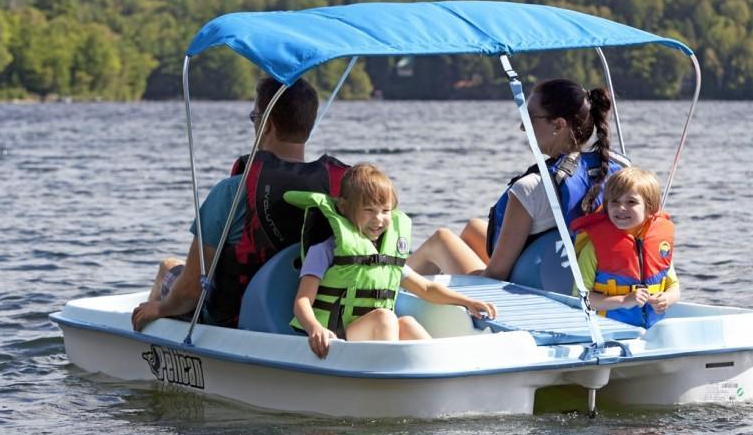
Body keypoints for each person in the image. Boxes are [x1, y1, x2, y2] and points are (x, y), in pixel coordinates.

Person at [132, 77, 348, 331]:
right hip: (315, 320)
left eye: (254, 116)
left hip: (236, 324)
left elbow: (190, 291)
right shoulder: (343, 191)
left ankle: (147, 348)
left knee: (168, 266)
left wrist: (160, 308)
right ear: (308, 127)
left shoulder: (232, 193)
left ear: (266, 124)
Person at [407, 78, 621, 281]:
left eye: (529, 118)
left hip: (529, 288)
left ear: (558, 125)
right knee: (474, 227)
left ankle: (384, 294)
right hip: (572, 275)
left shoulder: (531, 188)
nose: (521, 127)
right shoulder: (615, 171)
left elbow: (496, 275)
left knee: (441, 240)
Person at [287, 163, 497, 359]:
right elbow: (302, 301)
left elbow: (425, 287)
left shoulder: (385, 257)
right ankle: (390, 377)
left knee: (406, 323)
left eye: (385, 211)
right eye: (368, 210)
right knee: (385, 318)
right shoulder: (325, 250)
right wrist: (315, 328)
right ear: (343, 207)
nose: (378, 219)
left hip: (372, 333)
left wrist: (467, 302)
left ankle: (443, 372)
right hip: (336, 337)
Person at [571, 167, 679, 328]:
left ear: (649, 207)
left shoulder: (659, 244)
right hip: (609, 330)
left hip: (653, 330)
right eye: (614, 201)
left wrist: (667, 298)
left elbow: (674, 287)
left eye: (631, 202)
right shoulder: (594, 248)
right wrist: (622, 301)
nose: (621, 208)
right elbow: (580, 298)